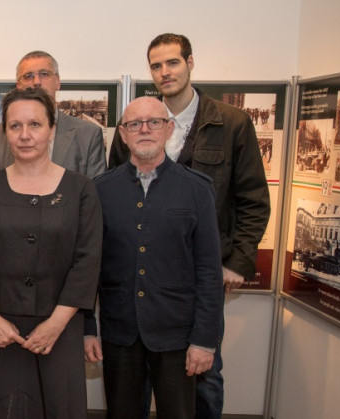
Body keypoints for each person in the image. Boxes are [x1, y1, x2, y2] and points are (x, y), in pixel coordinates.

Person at [107, 33, 271, 419]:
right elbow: (117, 189)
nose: (165, 72)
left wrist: (237, 262)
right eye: (156, 66)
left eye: (173, 62)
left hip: (202, 275)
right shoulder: (135, 122)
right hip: (141, 281)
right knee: (133, 385)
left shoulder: (232, 123)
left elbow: (254, 200)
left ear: (190, 63)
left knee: (203, 378)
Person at [0, 87, 102, 418]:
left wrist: (55, 324)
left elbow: (88, 262)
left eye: (35, 124)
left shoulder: (81, 189)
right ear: (4, 132)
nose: (25, 135)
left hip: (59, 329)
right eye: (15, 126)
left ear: (52, 129)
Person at [85, 96, 224, 418]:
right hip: (120, 334)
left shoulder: (197, 189)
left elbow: (208, 271)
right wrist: (87, 328)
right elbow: (89, 267)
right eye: (135, 124)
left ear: (169, 129)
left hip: (177, 337)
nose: (144, 129)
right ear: (123, 134)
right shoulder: (101, 190)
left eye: (154, 122)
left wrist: (205, 340)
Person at [0, 51, 106, 178]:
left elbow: (96, 188)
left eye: (44, 74)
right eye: (28, 76)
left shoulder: (88, 135)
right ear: (18, 86)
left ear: (57, 81)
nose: (37, 82)